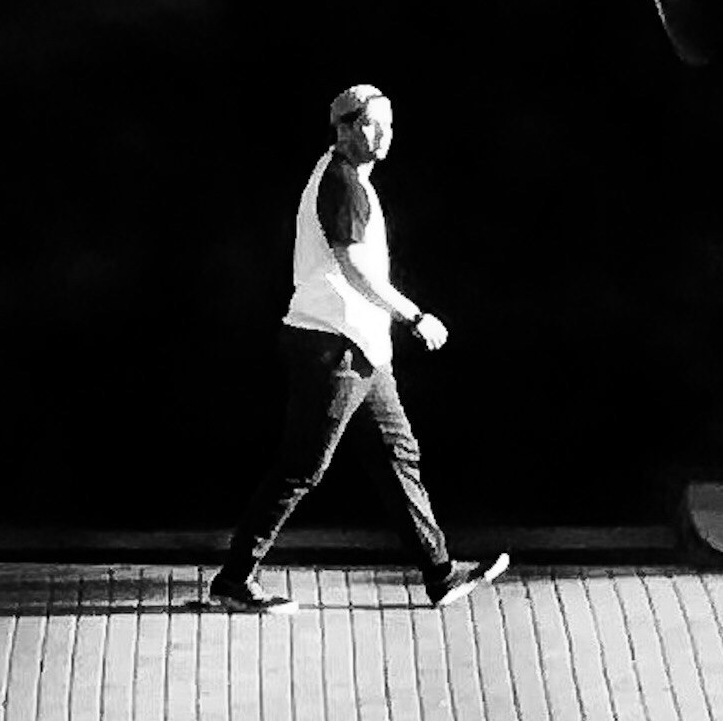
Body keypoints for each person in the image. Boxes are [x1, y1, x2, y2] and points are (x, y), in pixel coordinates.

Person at [207, 83, 510, 614]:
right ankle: (234, 579)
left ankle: (439, 573)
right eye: (372, 124)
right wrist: (414, 316)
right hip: (332, 350)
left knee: (398, 456)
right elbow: (353, 266)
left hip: (361, 350)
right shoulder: (342, 183)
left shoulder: (349, 179)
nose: (384, 133)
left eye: (388, 123)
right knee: (301, 468)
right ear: (345, 129)